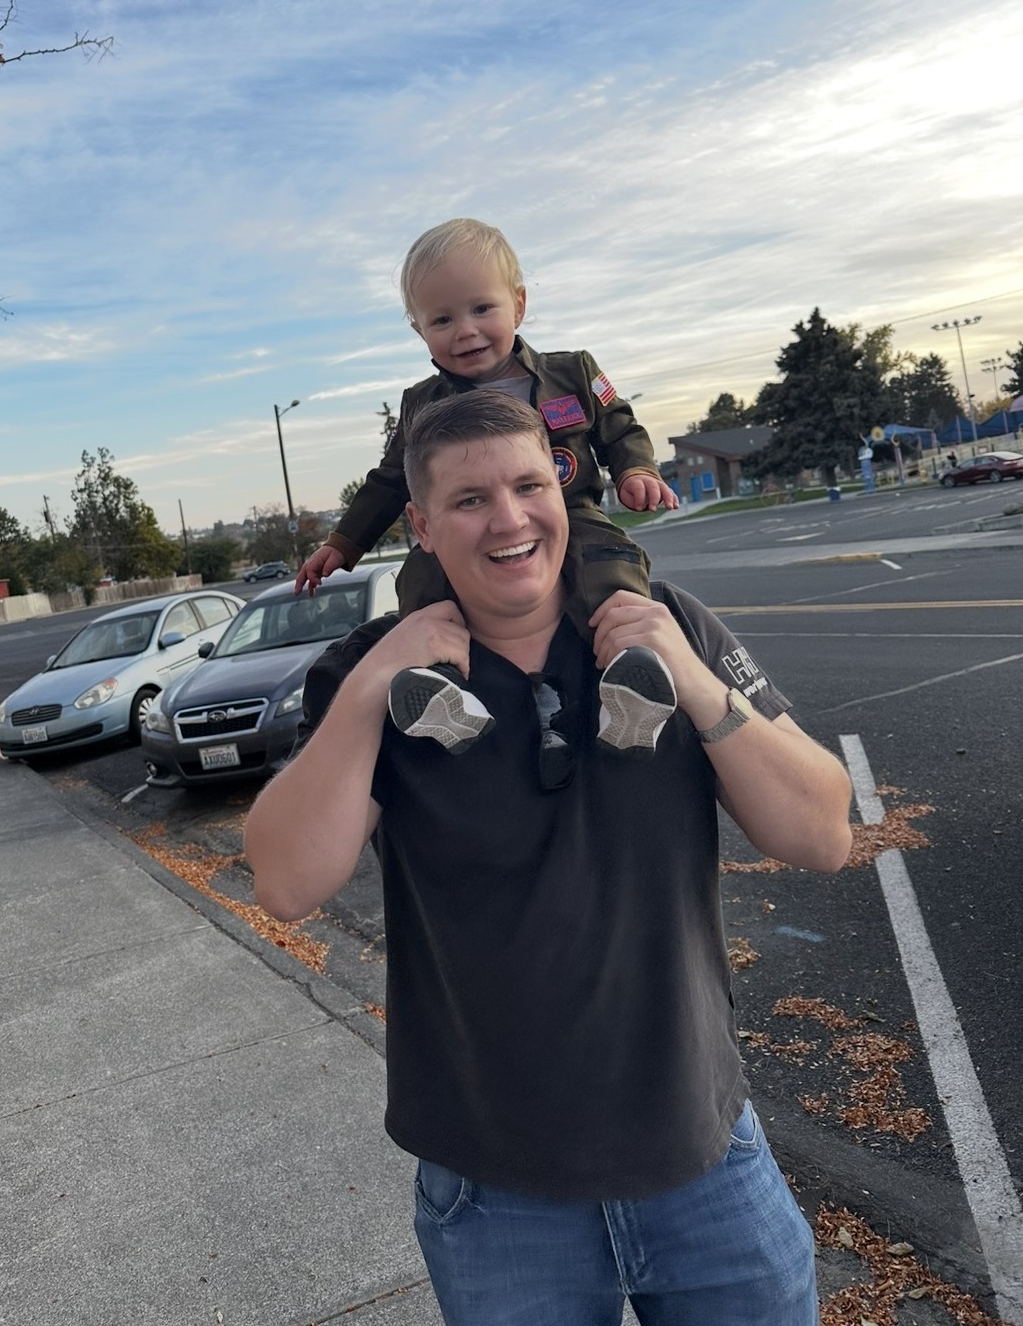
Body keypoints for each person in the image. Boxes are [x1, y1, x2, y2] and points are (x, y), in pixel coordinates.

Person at [247, 389, 853, 1326]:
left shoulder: (666, 625)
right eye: (470, 499)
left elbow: (823, 832)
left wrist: (691, 682)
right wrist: (372, 679)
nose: (510, 518)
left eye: (531, 485)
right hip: (496, 1194)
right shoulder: (380, 672)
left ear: (563, 488)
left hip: (704, 1157)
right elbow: (286, 882)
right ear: (421, 524)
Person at [295, 217, 680, 755]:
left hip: (570, 515)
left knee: (611, 565)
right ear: (419, 331)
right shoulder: (420, 404)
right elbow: (389, 480)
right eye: (443, 318)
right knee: (421, 579)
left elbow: (620, 424)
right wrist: (342, 543)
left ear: (518, 305)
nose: (466, 330)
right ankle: (443, 688)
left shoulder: (571, 372)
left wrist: (637, 470)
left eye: (482, 309)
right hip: (467, 533)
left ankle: (630, 676)